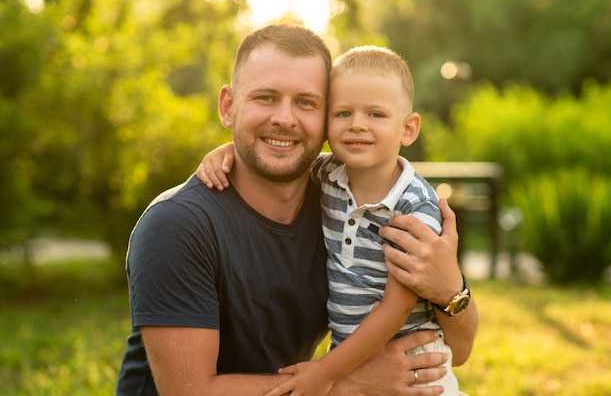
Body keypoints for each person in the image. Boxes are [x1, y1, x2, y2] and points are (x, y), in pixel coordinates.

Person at [117, 23, 479, 396]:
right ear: (229, 107)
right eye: (266, 98)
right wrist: (344, 386)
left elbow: (461, 352)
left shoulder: (337, 199)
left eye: (306, 103)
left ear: (324, 120)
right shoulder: (177, 226)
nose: (285, 119)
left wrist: (451, 288)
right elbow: (188, 393)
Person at [198, 46, 465, 396]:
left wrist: (325, 373)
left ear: (408, 129)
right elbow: (277, 154)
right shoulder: (328, 174)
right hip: (351, 356)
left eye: (376, 114)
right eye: (343, 113)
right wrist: (229, 150)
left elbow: (395, 309)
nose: (357, 124)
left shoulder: (413, 207)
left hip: (411, 361)